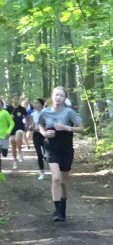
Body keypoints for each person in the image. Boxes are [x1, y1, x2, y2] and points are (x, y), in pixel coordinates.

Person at [35, 86, 83, 222]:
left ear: (64, 98)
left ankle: (63, 207)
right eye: (56, 95)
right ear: (52, 97)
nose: (59, 98)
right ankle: (57, 210)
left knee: (63, 181)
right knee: (55, 178)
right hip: (51, 146)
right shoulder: (45, 112)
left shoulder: (69, 112)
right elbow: (41, 125)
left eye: (61, 96)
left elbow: (81, 128)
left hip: (66, 147)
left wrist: (67, 127)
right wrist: (44, 133)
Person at [26, 98, 47, 179]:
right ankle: (42, 172)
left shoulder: (46, 112)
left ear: (42, 104)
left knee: (47, 154)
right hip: (37, 135)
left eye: (37, 103)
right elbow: (31, 125)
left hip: (45, 135)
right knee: (39, 154)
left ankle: (54, 170)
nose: (35, 104)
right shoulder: (33, 114)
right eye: (34, 103)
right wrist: (30, 128)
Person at [10, 99, 27, 166]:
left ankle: (20, 152)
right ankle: (14, 159)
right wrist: (9, 117)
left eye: (17, 98)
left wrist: (28, 124)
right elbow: (5, 117)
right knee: (13, 144)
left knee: (18, 139)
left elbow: (26, 116)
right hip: (11, 127)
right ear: (12, 99)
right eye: (14, 98)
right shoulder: (9, 108)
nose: (15, 100)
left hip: (20, 126)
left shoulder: (22, 108)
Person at [0, 104, 12, 173]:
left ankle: (4, 150)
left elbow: (12, 123)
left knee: (4, 154)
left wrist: (8, 132)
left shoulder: (5, 113)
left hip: (4, 135)